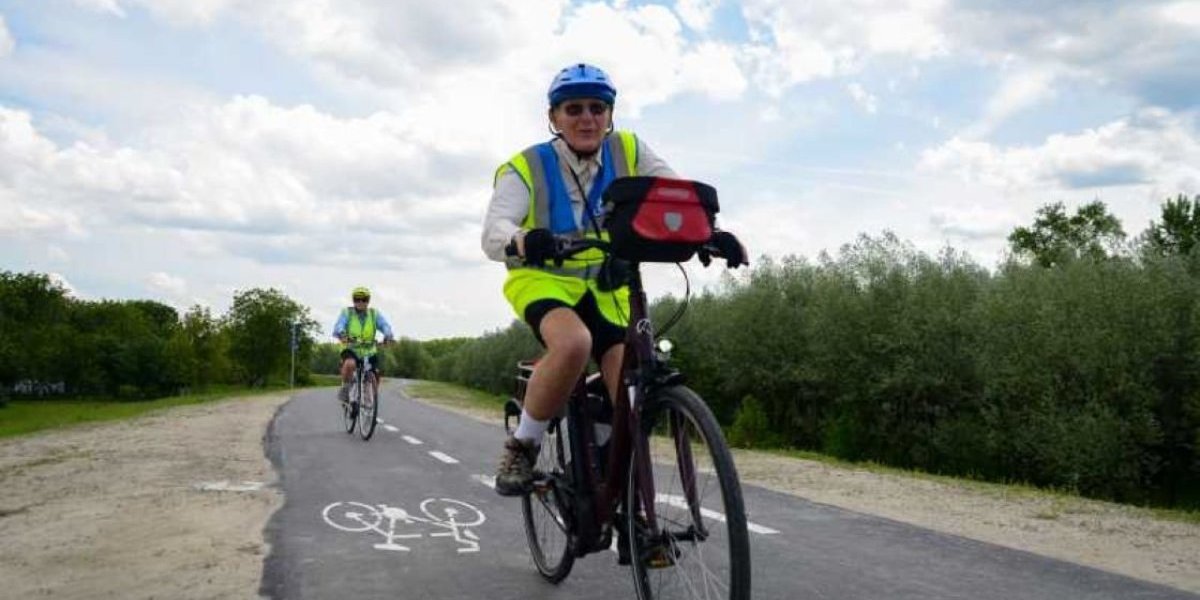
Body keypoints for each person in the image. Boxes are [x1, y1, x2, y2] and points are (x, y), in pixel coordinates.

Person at [481, 63, 747, 496]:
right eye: (573, 109)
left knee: (631, 387)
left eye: (597, 108)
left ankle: (609, 476)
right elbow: (494, 234)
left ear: (610, 114)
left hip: (609, 285)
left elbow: (674, 195)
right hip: (546, 281)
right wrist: (527, 239)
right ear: (554, 118)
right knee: (573, 344)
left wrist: (711, 233)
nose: (586, 118)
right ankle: (524, 444)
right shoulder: (525, 166)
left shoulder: (630, 150)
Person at [331, 286, 395, 406]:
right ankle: (345, 388)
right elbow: (339, 326)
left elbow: (385, 325)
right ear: (353, 300)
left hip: (369, 350)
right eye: (357, 299)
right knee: (350, 364)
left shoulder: (374, 314)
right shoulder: (347, 313)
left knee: (375, 374)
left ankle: (369, 398)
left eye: (364, 299)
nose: (360, 302)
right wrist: (342, 334)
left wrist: (388, 336)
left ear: (368, 300)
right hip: (350, 348)